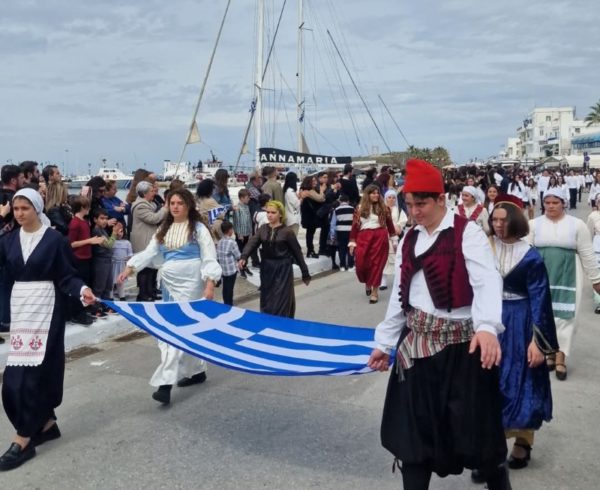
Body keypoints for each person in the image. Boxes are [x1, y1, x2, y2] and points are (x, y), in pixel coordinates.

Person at [367, 159, 511, 490]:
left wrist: (487, 327)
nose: (415, 211)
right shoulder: (409, 238)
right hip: (417, 349)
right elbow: (401, 296)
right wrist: (385, 343)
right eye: (410, 204)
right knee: (413, 438)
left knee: (480, 435)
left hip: (463, 350)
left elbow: (487, 281)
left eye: (422, 204)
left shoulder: (467, 233)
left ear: (441, 199)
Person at [0, 188, 95, 471]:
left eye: (25, 208)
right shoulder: (8, 241)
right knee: (13, 380)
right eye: (16, 209)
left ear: (37, 209)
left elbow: (67, 276)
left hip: (47, 310)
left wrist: (82, 290)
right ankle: (46, 424)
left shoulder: (55, 240)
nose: (19, 214)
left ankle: (23, 439)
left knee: (33, 377)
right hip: (21, 312)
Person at [471, 195, 558, 480]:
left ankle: (522, 441)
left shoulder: (530, 256)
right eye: (494, 220)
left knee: (522, 380)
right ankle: (489, 451)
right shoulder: (483, 248)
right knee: (486, 383)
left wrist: (538, 342)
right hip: (488, 319)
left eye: (503, 220)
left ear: (516, 221)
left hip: (520, 321)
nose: (497, 225)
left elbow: (541, 299)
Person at [118, 189, 222, 405]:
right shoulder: (163, 229)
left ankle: (165, 384)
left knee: (179, 329)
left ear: (188, 206)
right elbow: (149, 252)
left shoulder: (199, 229)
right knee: (179, 329)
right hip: (168, 284)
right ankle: (197, 371)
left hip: (191, 283)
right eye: (172, 203)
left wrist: (210, 284)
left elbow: (209, 256)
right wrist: (130, 268)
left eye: (179, 203)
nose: (175, 207)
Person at [528, 188, 600, 380]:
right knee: (543, 314)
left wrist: (596, 279)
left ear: (564, 203)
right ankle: (549, 353)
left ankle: (560, 358)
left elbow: (587, 252)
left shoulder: (577, 225)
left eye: (555, 202)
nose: (551, 206)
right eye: (547, 202)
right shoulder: (534, 224)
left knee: (566, 317)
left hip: (569, 274)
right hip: (541, 276)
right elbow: (525, 251)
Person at [239, 200, 310, 318]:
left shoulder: (287, 232)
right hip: (267, 269)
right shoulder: (263, 229)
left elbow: (297, 252)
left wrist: (305, 272)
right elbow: (252, 243)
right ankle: (269, 324)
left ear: (280, 214)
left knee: (281, 300)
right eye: (268, 212)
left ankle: (282, 325)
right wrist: (244, 257)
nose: (269, 215)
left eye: (273, 212)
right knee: (267, 299)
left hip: (283, 270)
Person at [348, 184, 396, 304]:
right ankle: (367, 282)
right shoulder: (359, 208)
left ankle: (375, 292)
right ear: (367, 194)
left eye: (377, 193)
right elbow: (355, 226)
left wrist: (394, 239)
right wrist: (352, 242)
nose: (376, 195)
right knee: (361, 264)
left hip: (380, 238)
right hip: (363, 238)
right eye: (373, 193)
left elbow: (390, 225)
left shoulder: (384, 208)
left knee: (377, 265)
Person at [130, 181, 167, 301]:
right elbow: (153, 219)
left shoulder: (150, 204)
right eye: (151, 191)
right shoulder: (140, 206)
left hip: (149, 238)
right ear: (144, 193)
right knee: (144, 268)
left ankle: (150, 291)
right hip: (143, 240)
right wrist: (165, 209)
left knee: (151, 267)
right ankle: (143, 294)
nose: (154, 193)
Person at [380, 189, 407, 291]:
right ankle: (383, 281)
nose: (391, 199)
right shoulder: (380, 210)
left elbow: (403, 220)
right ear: (385, 198)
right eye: (389, 197)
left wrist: (398, 226)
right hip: (383, 237)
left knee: (397, 259)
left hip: (395, 237)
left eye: (393, 197)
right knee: (383, 260)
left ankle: (398, 280)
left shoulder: (399, 210)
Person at [91, 209, 119, 304]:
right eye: (102, 218)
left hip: (107, 260)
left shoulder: (102, 230)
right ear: (95, 219)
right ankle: (96, 306)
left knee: (108, 285)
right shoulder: (96, 231)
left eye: (106, 219)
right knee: (100, 286)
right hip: (101, 261)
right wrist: (114, 232)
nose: (104, 221)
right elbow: (109, 245)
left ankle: (105, 305)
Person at [299, 175, 325, 258]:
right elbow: (321, 199)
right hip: (310, 216)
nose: (315, 182)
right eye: (313, 181)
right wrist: (322, 190)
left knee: (310, 233)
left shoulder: (306, 190)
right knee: (310, 234)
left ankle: (310, 250)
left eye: (315, 180)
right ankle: (310, 251)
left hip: (309, 216)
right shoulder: (309, 191)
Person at [216, 221, 241, 306]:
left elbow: (218, 256)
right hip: (231, 270)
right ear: (230, 230)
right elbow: (238, 255)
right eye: (232, 229)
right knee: (230, 289)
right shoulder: (232, 242)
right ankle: (229, 305)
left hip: (223, 269)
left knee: (225, 288)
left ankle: (225, 304)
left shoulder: (220, 241)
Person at [232, 188, 254, 278]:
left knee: (246, 251)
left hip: (247, 232)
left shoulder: (247, 207)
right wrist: (239, 234)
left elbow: (249, 220)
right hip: (240, 234)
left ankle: (245, 266)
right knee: (240, 252)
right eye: (247, 197)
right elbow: (236, 222)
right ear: (241, 198)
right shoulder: (237, 208)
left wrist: (250, 232)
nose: (249, 199)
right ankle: (241, 268)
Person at [332, 194, 355, 271]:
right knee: (351, 247)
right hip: (351, 231)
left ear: (340, 201)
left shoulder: (336, 210)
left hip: (340, 231)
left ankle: (342, 265)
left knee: (341, 248)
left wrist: (333, 234)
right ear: (348, 201)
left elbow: (333, 223)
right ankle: (351, 265)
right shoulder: (353, 209)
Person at [111, 225, 133, 301]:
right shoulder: (112, 242)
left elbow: (130, 254)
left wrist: (127, 261)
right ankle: (110, 296)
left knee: (120, 281)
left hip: (122, 264)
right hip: (113, 264)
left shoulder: (127, 243)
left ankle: (122, 296)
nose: (119, 233)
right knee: (111, 281)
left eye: (121, 231)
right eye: (117, 231)